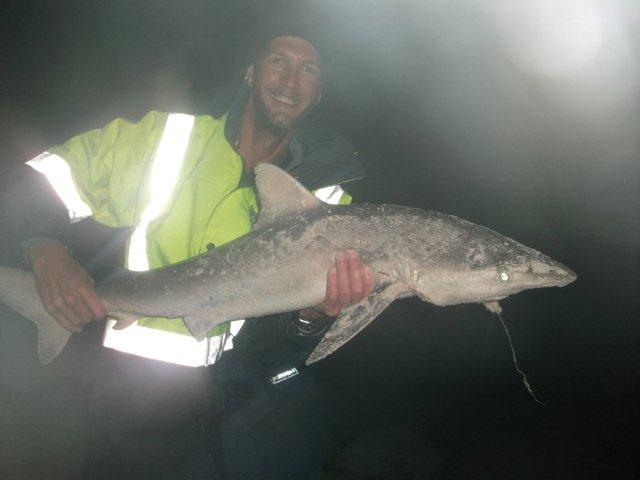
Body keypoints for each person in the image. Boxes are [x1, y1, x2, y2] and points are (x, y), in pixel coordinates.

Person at [2, 35, 373, 479]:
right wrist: (46, 251)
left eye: (307, 70)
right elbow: (31, 184)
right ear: (251, 72)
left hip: (243, 407)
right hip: (135, 396)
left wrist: (311, 318)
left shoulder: (331, 203)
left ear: (319, 92)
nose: (290, 81)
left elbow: (278, 351)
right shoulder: (169, 141)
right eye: (278, 61)